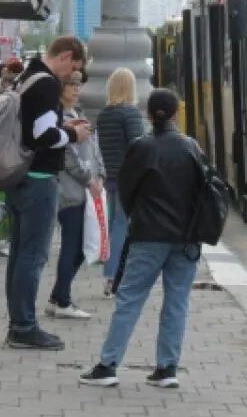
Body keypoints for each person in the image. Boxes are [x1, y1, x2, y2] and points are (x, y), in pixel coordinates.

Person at [80, 89, 201, 389]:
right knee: (177, 301)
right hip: (185, 237)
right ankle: (167, 368)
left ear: (148, 114)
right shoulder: (191, 147)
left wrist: (138, 215)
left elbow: (127, 189)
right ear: (175, 114)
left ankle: (108, 365)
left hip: (148, 234)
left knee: (130, 299)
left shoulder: (141, 147)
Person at [4, 36, 90, 350]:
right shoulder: (47, 84)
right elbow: (43, 134)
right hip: (39, 178)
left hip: (19, 176)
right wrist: (74, 133)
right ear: (66, 56)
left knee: (19, 253)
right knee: (33, 255)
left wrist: (66, 129)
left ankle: (18, 323)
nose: (72, 76)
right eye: (74, 68)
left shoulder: (27, 77)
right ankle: (24, 327)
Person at [47, 71, 105, 320]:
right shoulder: (59, 119)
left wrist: (100, 173)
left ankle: (58, 296)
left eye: (78, 84)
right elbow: (68, 158)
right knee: (74, 246)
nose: (76, 89)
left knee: (81, 246)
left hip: (85, 192)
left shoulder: (78, 114)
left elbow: (94, 147)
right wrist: (90, 179)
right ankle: (62, 299)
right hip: (69, 192)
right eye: (71, 84)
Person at [96, 67, 147, 297]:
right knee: (122, 226)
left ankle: (111, 274)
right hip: (129, 178)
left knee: (114, 224)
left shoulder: (104, 114)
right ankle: (114, 276)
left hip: (110, 178)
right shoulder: (131, 113)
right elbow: (138, 147)